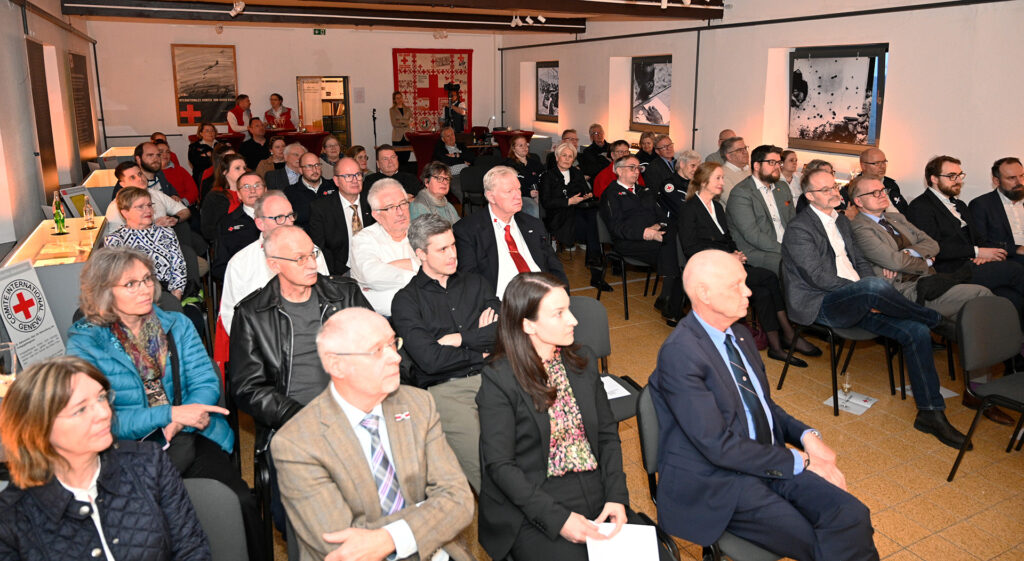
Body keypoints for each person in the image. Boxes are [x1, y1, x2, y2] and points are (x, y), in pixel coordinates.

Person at [649, 249, 878, 561]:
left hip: (766, 460)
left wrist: (807, 436)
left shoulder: (740, 335)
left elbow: (763, 406)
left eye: (745, 283)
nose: (748, 292)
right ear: (703, 293)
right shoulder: (681, 353)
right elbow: (717, 446)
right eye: (736, 285)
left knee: (852, 514)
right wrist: (803, 462)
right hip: (720, 478)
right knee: (824, 545)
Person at [66, 247, 265, 561]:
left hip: (192, 435)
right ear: (104, 292)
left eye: (146, 279)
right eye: (130, 284)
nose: (145, 288)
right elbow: (99, 418)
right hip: (123, 449)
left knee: (238, 501)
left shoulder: (177, 324)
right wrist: (169, 414)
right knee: (137, 524)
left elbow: (206, 381)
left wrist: (186, 416)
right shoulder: (85, 343)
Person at [477, 273, 670, 561]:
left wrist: (617, 497)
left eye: (569, 309)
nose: (573, 320)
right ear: (527, 324)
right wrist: (560, 520)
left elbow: (607, 434)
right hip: (532, 501)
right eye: (559, 313)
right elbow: (502, 467)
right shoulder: (500, 378)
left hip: (594, 485)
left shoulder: (583, 360)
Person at [782, 168, 968, 449]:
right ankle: (934, 319)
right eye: (826, 190)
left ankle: (931, 413)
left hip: (858, 299)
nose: (834, 193)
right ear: (809, 196)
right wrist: (866, 290)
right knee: (876, 288)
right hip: (822, 303)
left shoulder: (842, 222)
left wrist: (869, 289)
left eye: (835, 187)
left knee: (914, 330)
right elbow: (817, 277)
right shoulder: (799, 229)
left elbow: (861, 262)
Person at [271, 307, 475, 561]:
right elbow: (343, 548)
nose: (395, 357)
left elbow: (460, 501)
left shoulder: (418, 404)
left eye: (393, 343)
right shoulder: (296, 442)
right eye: (377, 350)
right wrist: (428, 515)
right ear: (337, 364)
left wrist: (391, 538)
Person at [0, 356, 211, 561]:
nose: (103, 413)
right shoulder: (11, 517)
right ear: (37, 428)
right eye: (80, 409)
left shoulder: (148, 463)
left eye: (101, 397)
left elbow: (191, 549)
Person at [229, 225, 371, 529]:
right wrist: (300, 416)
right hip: (293, 420)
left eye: (313, 254)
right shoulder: (253, 313)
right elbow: (246, 387)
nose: (311, 264)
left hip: (354, 410)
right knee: (309, 511)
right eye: (299, 259)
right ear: (273, 264)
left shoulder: (344, 294)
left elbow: (378, 349)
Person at [391, 214, 500, 491]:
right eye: (442, 249)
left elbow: (502, 333)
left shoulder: (476, 283)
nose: (453, 254)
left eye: (453, 246)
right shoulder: (406, 301)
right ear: (420, 254)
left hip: (495, 375)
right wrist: (480, 350)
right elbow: (430, 360)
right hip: (447, 388)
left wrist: (459, 338)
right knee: (483, 460)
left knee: (537, 436)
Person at [680, 162, 819, 366]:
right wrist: (727, 257)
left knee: (763, 293)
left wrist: (736, 253)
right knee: (770, 277)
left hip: (727, 263)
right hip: (708, 269)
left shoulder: (717, 207)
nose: (722, 183)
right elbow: (691, 247)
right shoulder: (689, 209)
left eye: (722, 178)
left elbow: (726, 238)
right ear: (703, 181)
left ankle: (776, 347)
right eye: (718, 178)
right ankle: (789, 334)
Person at [216, 191, 330, 365]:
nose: (288, 222)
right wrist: (261, 349)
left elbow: (326, 297)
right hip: (264, 351)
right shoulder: (240, 263)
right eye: (279, 218)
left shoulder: (312, 251)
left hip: (311, 341)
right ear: (260, 223)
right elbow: (231, 317)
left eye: (290, 216)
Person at [906, 155, 1024, 322]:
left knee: (1011, 297)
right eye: (951, 176)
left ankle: (1014, 345)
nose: (958, 180)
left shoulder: (959, 205)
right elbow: (933, 247)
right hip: (950, 271)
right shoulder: (921, 207)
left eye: (960, 175)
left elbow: (978, 238)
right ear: (934, 179)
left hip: (972, 266)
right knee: (1016, 269)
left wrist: (982, 254)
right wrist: (977, 252)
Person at [454, 165, 568, 297]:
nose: (518, 195)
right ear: (491, 196)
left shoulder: (533, 224)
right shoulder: (467, 230)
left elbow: (554, 266)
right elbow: (470, 280)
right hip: (504, 302)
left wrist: (562, 295)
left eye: (518, 189)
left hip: (542, 296)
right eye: (509, 191)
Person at [600, 155, 683, 324]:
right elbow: (616, 228)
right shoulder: (611, 194)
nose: (637, 171)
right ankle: (670, 301)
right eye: (632, 167)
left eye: (638, 168)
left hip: (654, 237)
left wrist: (657, 228)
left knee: (678, 237)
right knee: (674, 249)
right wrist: (644, 232)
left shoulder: (644, 191)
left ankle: (670, 302)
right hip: (628, 242)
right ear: (619, 170)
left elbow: (663, 217)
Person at [539, 142, 606, 290]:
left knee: (593, 217)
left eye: (570, 156)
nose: (567, 159)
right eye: (564, 155)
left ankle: (595, 268)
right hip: (558, 216)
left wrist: (587, 196)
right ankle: (595, 266)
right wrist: (569, 201)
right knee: (592, 224)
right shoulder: (547, 176)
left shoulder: (576, 173)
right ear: (557, 157)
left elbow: (583, 191)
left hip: (578, 213)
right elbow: (546, 202)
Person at [349, 179, 420, 315]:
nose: (400, 212)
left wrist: (391, 266)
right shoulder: (363, 239)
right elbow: (371, 275)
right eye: (390, 207)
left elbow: (441, 262)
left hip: (425, 313)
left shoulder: (421, 231)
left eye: (403, 204)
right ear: (376, 215)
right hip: (381, 320)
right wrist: (418, 269)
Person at [104, 188, 187, 300]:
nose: (148, 211)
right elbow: (117, 280)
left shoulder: (167, 233)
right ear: (125, 212)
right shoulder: (115, 240)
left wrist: (175, 298)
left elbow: (179, 268)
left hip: (167, 295)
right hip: (134, 298)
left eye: (149, 205)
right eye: (140, 207)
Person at [726, 145, 797, 274]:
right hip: (756, 251)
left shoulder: (782, 187)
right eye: (771, 163)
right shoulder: (741, 193)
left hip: (785, 245)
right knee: (794, 266)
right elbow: (752, 235)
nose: (777, 167)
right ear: (757, 166)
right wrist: (785, 249)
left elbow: (793, 222)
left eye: (779, 162)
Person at [308, 157, 376, 275]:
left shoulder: (373, 202)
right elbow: (319, 249)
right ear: (336, 181)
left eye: (358, 174)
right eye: (348, 176)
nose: (355, 180)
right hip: (340, 272)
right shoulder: (321, 208)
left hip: (374, 265)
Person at [105, 162, 190, 232]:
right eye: (132, 177)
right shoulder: (115, 207)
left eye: (140, 174)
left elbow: (185, 211)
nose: (140, 179)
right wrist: (153, 228)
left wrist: (175, 219)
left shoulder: (156, 194)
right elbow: (115, 240)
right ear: (123, 184)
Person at [969, 156, 1024, 263]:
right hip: (1005, 261)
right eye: (1012, 178)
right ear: (996, 181)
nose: (1019, 182)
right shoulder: (981, 205)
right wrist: (1017, 249)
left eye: (1022, 176)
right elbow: (981, 243)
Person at [211, 172, 264, 280]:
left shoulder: (280, 217)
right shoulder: (226, 223)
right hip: (243, 281)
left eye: (257, 186)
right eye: (246, 187)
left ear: (265, 190)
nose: (252, 190)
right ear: (239, 194)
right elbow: (220, 267)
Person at [200, 153, 245, 242]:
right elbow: (208, 231)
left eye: (244, 168)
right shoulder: (216, 196)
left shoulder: (249, 192)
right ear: (225, 172)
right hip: (228, 241)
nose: (243, 172)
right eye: (237, 168)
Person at [285, 152, 337, 229]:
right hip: (305, 238)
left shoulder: (334, 186)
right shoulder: (290, 192)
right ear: (300, 170)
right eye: (309, 166)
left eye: (317, 165)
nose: (315, 169)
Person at [503, 133, 545, 218]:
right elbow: (509, 187)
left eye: (526, 144)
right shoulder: (508, 165)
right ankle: (535, 230)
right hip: (520, 196)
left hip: (539, 194)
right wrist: (528, 192)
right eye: (520, 145)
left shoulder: (534, 162)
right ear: (513, 148)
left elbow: (544, 177)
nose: (524, 147)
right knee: (532, 207)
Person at [858, 148, 909, 213]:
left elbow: (904, 210)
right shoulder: (855, 188)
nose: (882, 166)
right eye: (877, 163)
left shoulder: (891, 184)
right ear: (863, 166)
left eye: (884, 162)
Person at [657, 148, 700, 220]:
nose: (695, 170)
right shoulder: (669, 185)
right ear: (682, 164)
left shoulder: (697, 184)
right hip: (674, 227)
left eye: (697, 167)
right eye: (693, 165)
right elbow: (682, 209)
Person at [154, 139, 199, 207]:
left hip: (182, 206)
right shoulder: (150, 173)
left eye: (168, 152)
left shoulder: (180, 170)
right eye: (161, 152)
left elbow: (193, 191)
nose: (165, 154)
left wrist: (182, 203)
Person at [433, 127, 474, 199]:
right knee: (465, 196)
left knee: (476, 193)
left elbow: (471, 158)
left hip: (468, 174)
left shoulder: (461, 146)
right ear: (443, 139)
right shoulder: (440, 149)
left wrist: (455, 155)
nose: (451, 138)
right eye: (448, 136)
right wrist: (463, 160)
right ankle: (472, 210)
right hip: (453, 176)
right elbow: (446, 161)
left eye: (452, 135)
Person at [719, 136, 751, 202]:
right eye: (739, 150)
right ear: (729, 156)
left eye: (745, 148)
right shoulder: (722, 175)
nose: (745, 152)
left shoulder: (752, 170)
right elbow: (735, 202)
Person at [390, 91, 412, 165]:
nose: (399, 99)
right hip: (397, 137)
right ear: (394, 100)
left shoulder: (408, 109)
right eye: (397, 98)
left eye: (400, 97)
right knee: (397, 158)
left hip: (406, 136)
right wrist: (405, 122)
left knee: (406, 157)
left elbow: (410, 121)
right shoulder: (392, 110)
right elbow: (394, 123)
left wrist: (400, 121)